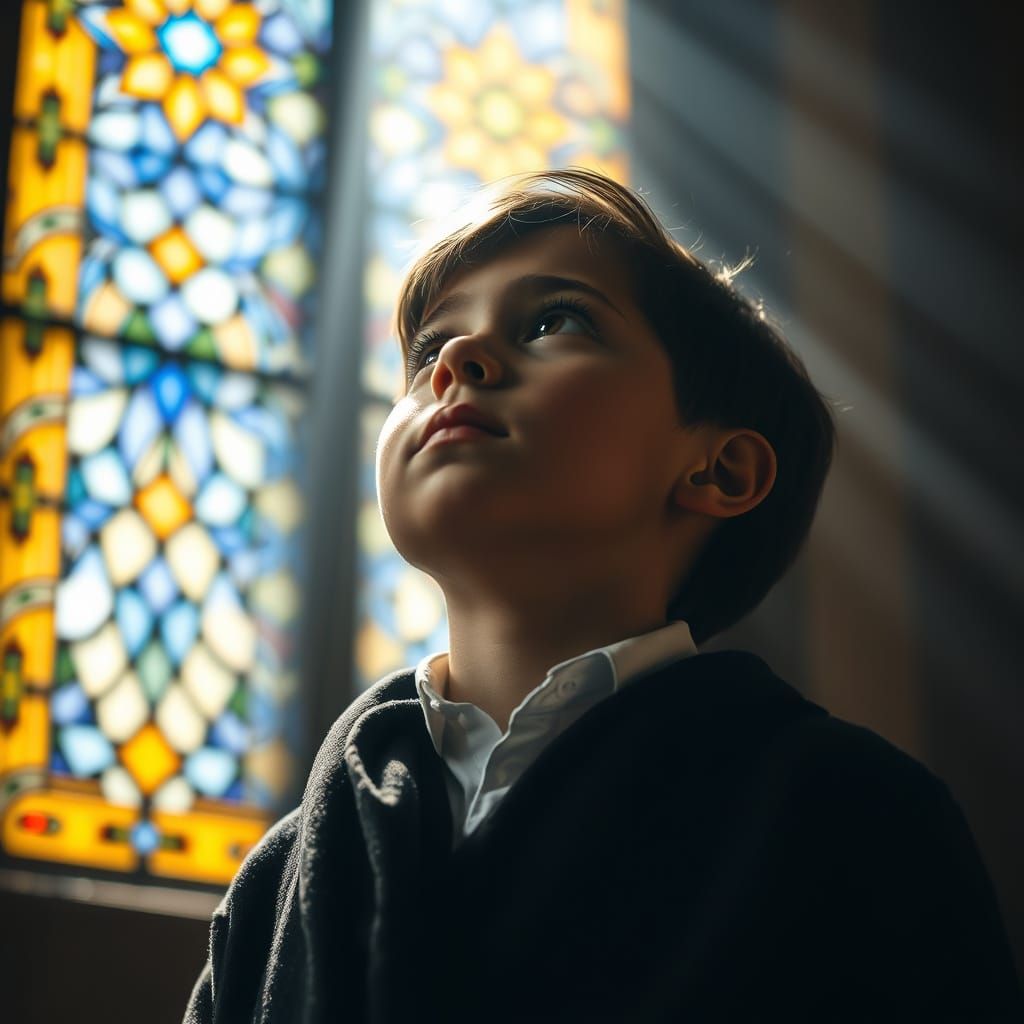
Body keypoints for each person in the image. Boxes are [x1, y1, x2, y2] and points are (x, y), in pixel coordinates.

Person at [184, 169, 1022, 1023]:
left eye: (555, 320)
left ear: (719, 468)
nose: (456, 363)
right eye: (429, 347)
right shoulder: (277, 881)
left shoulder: (853, 814)